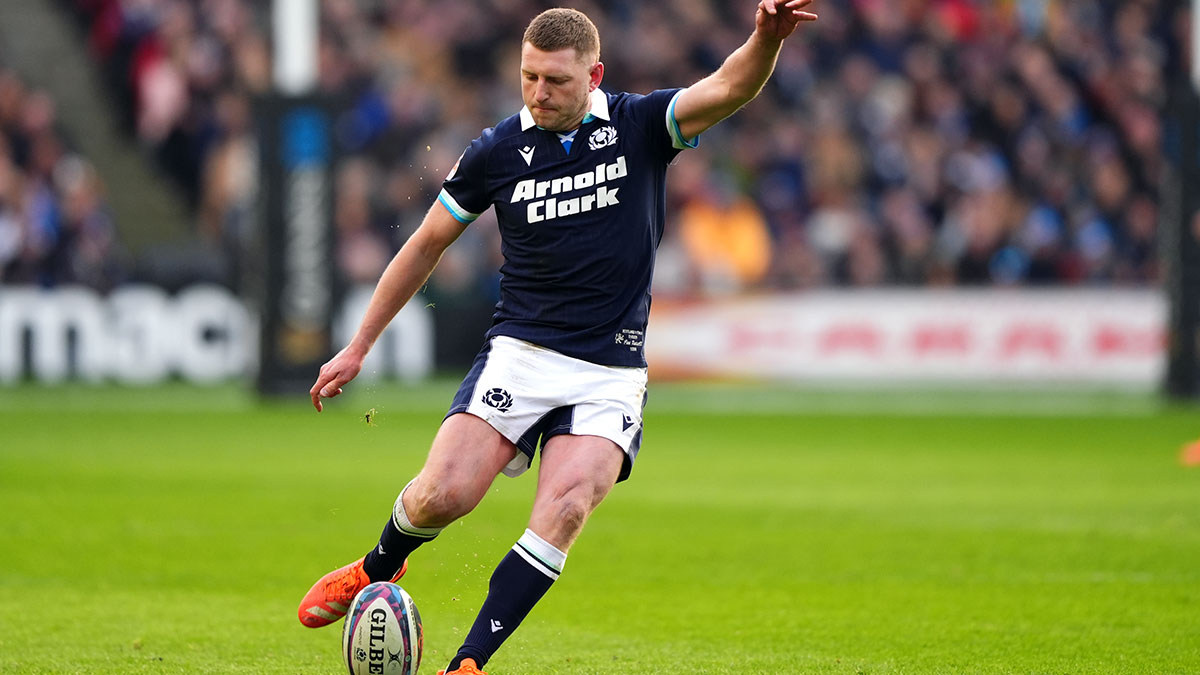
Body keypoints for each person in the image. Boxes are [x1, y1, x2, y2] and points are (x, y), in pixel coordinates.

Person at [298, 3, 819, 673]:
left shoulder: (639, 125)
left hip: (609, 369)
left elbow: (730, 86)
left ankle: (469, 663)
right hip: (521, 351)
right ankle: (377, 564)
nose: (539, 94)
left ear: (593, 75)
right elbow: (426, 242)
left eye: (555, 81)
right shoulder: (497, 151)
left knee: (567, 503)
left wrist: (764, 40)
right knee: (443, 495)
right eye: (528, 78)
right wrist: (359, 344)